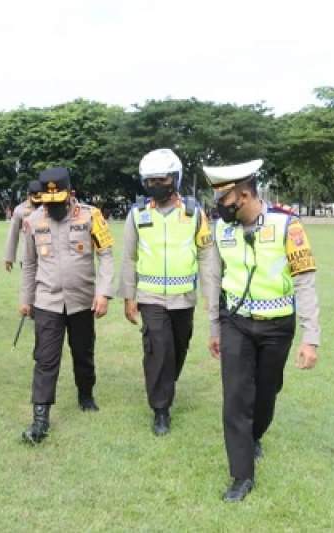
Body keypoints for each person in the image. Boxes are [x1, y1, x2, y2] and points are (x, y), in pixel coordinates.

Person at [201, 159, 321, 502]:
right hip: (236, 323)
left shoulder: (287, 225)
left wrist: (310, 338)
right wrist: (214, 326)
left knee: (266, 393)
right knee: (235, 398)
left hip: (277, 327)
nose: (218, 206)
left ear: (243, 193)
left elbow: (305, 282)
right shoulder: (221, 230)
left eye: (223, 199)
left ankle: (255, 436)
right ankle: (241, 476)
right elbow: (213, 281)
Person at [118, 149, 215, 436]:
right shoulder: (137, 215)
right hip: (150, 297)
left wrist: (211, 293)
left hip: (184, 297)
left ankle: (165, 383)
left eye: (160, 180)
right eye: (149, 181)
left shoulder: (193, 213)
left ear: (174, 179)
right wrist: (129, 296)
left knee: (179, 347)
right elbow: (129, 257)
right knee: (158, 348)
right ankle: (161, 409)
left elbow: (206, 254)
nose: (154, 185)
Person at [19, 167, 115, 444]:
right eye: (47, 202)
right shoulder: (34, 220)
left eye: (58, 201)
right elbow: (30, 264)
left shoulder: (91, 216)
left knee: (83, 353)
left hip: (82, 300)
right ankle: (40, 417)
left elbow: (106, 255)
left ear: (71, 195)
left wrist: (104, 293)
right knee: (45, 359)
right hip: (47, 300)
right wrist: (26, 299)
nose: (53, 207)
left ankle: (86, 394)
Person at [3, 180, 42, 272]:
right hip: (26, 257)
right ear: (28, 195)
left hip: (44, 255)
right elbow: (13, 234)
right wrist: (9, 258)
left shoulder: (48, 208)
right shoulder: (20, 210)